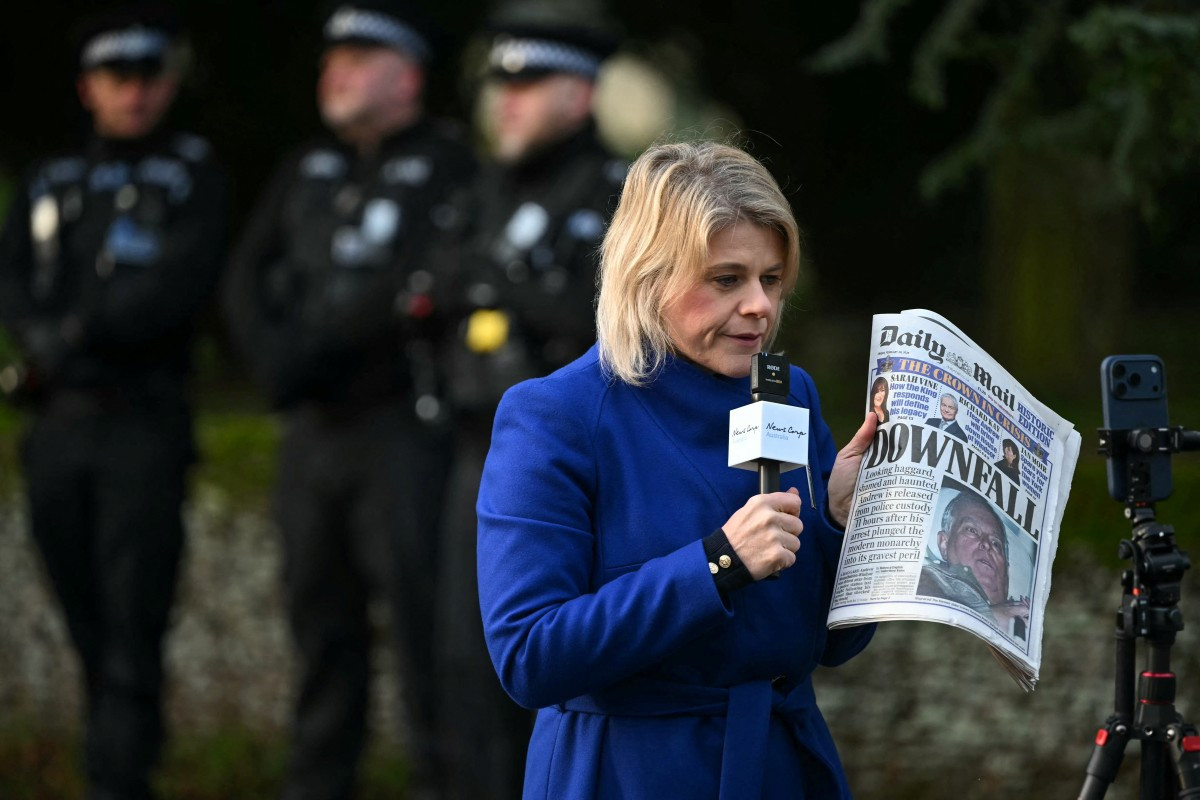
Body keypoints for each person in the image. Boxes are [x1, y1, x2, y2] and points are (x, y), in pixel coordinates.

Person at [476, 141, 878, 799]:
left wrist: (840, 524)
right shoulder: (555, 415)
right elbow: (529, 657)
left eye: (771, 279)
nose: (759, 306)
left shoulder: (786, 390)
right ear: (649, 274)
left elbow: (829, 645)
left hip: (781, 764)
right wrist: (717, 563)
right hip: (626, 772)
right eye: (727, 279)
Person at [221, 3, 475, 797]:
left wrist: (311, 353)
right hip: (311, 429)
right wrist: (276, 363)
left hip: (397, 428)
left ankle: (442, 781)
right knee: (317, 627)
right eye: (333, 56)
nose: (336, 71)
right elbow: (242, 277)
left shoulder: (447, 163)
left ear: (408, 76)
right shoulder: (307, 165)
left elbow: (417, 282)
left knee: (422, 630)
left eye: (360, 57)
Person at [0, 7, 227, 798]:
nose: (133, 95)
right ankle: (121, 751)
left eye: (147, 79)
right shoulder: (49, 179)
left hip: (141, 424)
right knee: (83, 615)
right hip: (58, 426)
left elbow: (178, 287)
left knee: (135, 619)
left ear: (166, 86)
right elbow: (15, 281)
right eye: (116, 79)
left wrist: (77, 332)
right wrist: (44, 338)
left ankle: (120, 777)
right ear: (88, 87)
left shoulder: (192, 173)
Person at [429, 11, 626, 800]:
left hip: (580, 459)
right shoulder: (478, 190)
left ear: (579, 95)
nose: (506, 102)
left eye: (530, 84)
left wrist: (500, 292)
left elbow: (612, 324)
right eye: (500, 84)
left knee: (560, 667)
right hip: (472, 450)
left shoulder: (620, 194)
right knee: (465, 662)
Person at [915, 490, 1031, 633]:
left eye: (996, 543)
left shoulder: (1026, 616)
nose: (987, 544)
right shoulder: (927, 580)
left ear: (1006, 571)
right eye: (972, 530)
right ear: (944, 544)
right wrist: (991, 618)